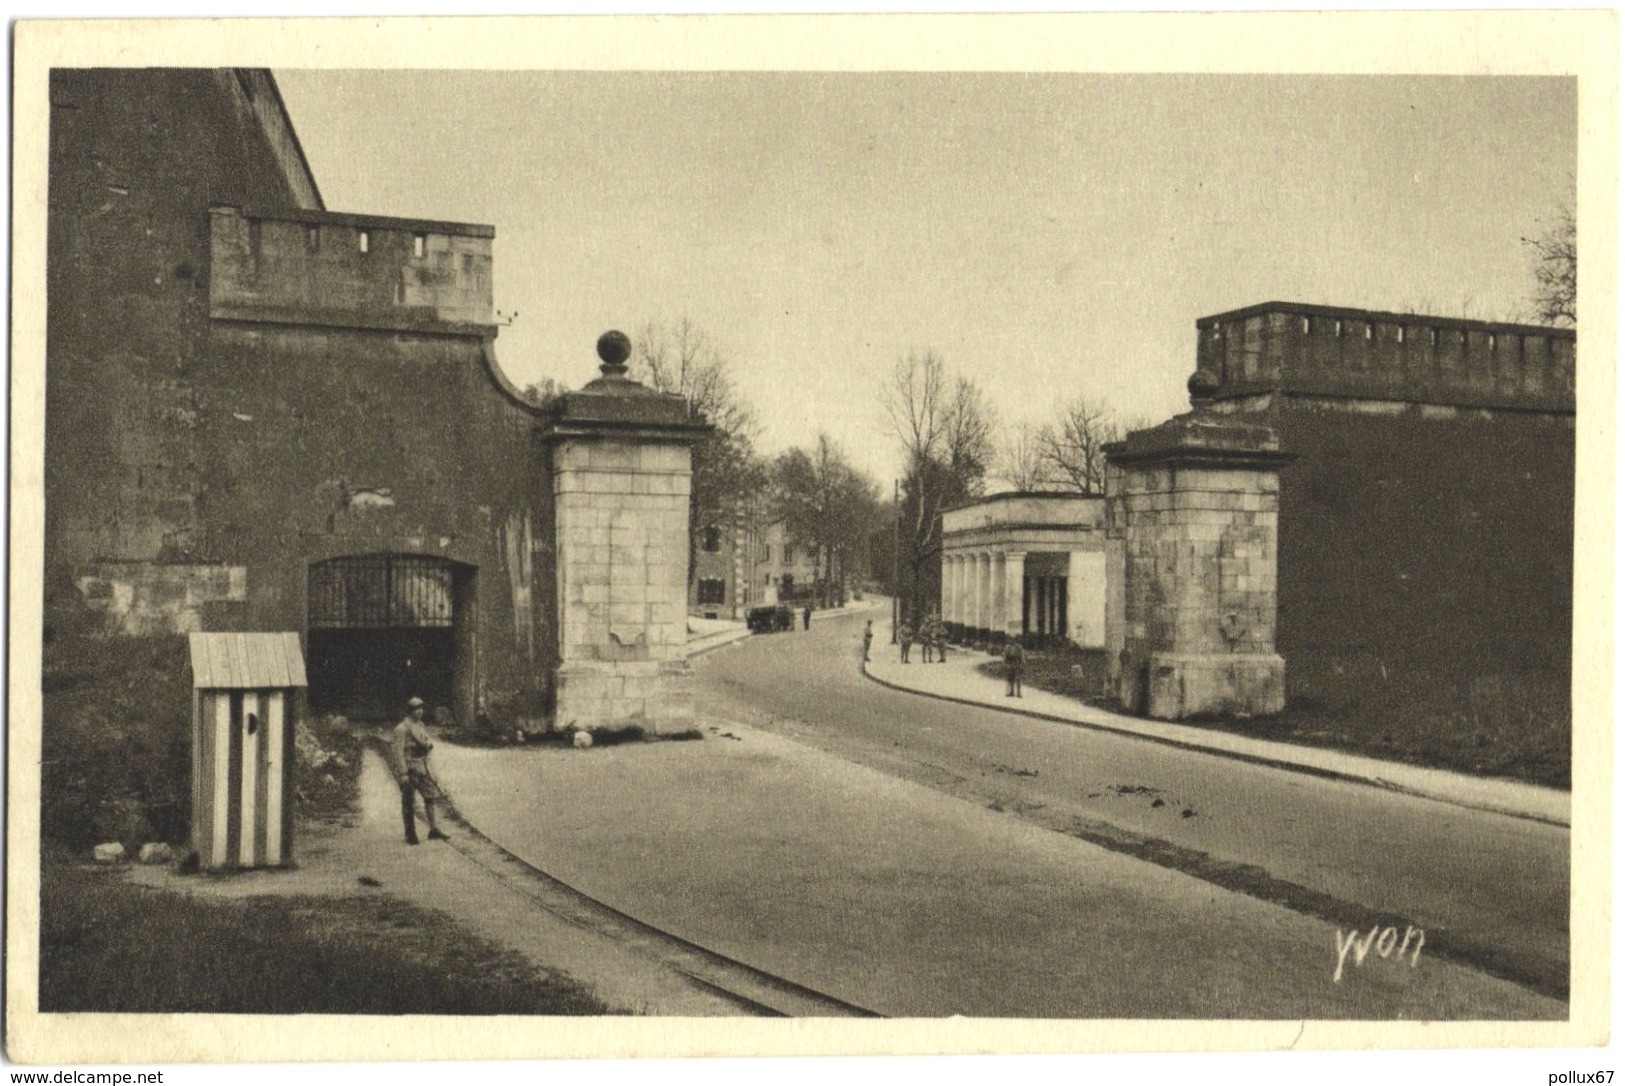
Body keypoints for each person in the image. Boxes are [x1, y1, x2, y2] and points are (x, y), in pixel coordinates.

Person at [392, 696, 450, 845]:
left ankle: (433, 829)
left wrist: (432, 770)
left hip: (423, 768)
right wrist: (403, 773)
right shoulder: (402, 729)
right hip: (410, 769)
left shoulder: (421, 726)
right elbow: (398, 753)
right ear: (409, 711)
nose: (419, 712)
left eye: (421, 709)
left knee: (430, 797)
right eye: (416, 709)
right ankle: (410, 833)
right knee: (408, 802)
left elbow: (427, 745)